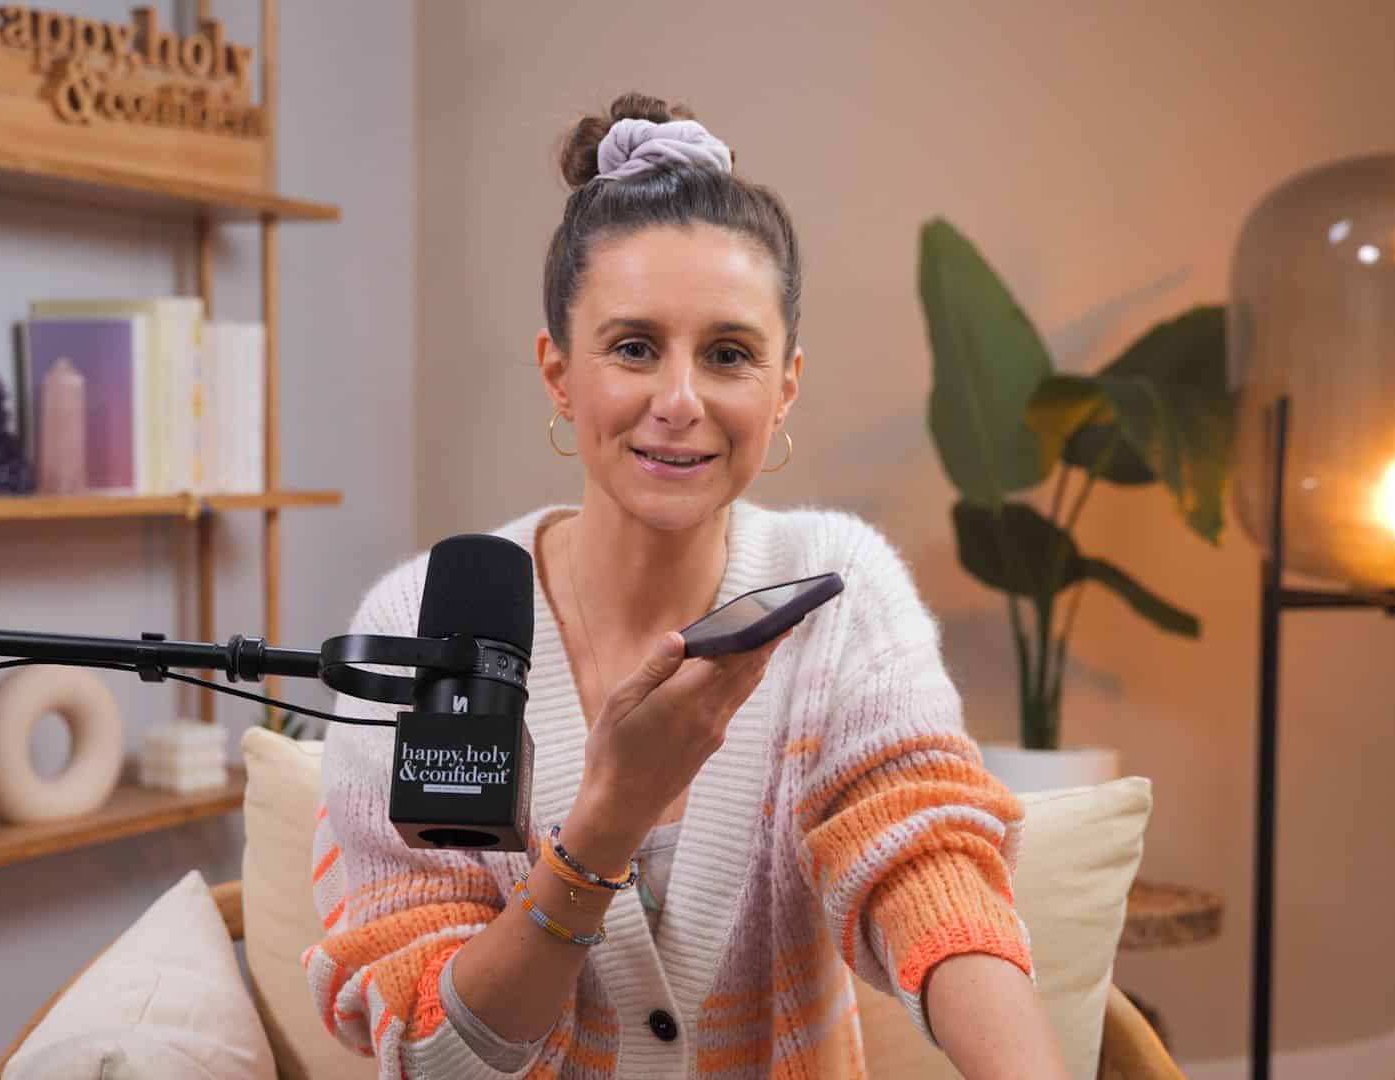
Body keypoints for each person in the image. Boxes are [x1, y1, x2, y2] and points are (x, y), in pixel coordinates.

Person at [304, 91, 1066, 1078]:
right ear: (559, 373)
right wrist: (609, 819)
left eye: (728, 355)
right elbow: (433, 1056)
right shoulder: (419, 620)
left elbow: (925, 863)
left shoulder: (839, 593)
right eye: (633, 348)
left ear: (784, 385)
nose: (679, 400)